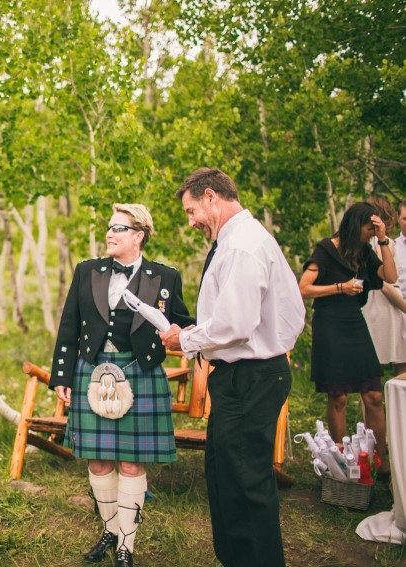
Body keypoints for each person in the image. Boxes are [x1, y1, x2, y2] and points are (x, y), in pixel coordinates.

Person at [159, 168, 305, 567]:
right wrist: (195, 330)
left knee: (245, 482)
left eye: (192, 211)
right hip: (246, 375)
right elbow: (256, 316)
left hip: (251, 378)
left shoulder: (242, 245)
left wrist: (184, 339)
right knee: (226, 476)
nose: (191, 222)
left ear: (211, 196)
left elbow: (237, 324)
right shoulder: (241, 239)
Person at [49, 204, 194, 567]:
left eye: (119, 228)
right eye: (109, 228)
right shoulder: (87, 272)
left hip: (140, 371)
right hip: (92, 371)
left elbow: (183, 324)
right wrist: (62, 376)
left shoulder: (164, 277)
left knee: (132, 464)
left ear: (139, 235)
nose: (109, 234)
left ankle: (126, 546)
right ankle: (111, 529)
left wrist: (180, 335)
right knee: (98, 462)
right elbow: (69, 326)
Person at [299, 202, 396, 477]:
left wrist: (383, 239)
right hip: (329, 323)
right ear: (356, 225)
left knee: (374, 395)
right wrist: (340, 287)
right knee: (338, 396)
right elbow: (304, 288)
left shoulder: (365, 250)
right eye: (369, 227)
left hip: (355, 322)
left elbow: (390, 276)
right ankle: (340, 462)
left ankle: (381, 461)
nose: (370, 232)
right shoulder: (326, 249)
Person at [365, 197, 406, 376]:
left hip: (389, 308)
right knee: (381, 370)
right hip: (385, 309)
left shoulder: (383, 242)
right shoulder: (379, 243)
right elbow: (385, 283)